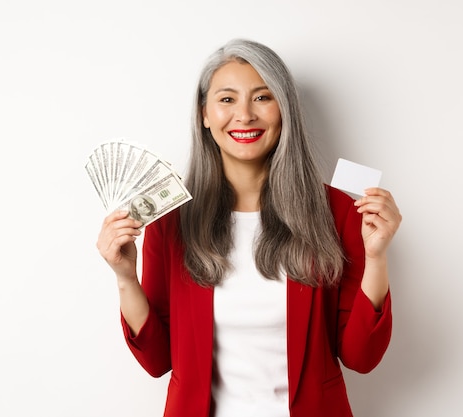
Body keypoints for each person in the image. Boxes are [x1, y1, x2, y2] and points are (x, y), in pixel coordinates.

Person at [96, 38, 402, 417]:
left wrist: (377, 258)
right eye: (227, 99)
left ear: (284, 110)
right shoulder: (171, 220)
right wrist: (125, 277)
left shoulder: (338, 210)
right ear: (204, 114)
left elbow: (361, 357)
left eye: (262, 97)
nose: (244, 115)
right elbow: (158, 361)